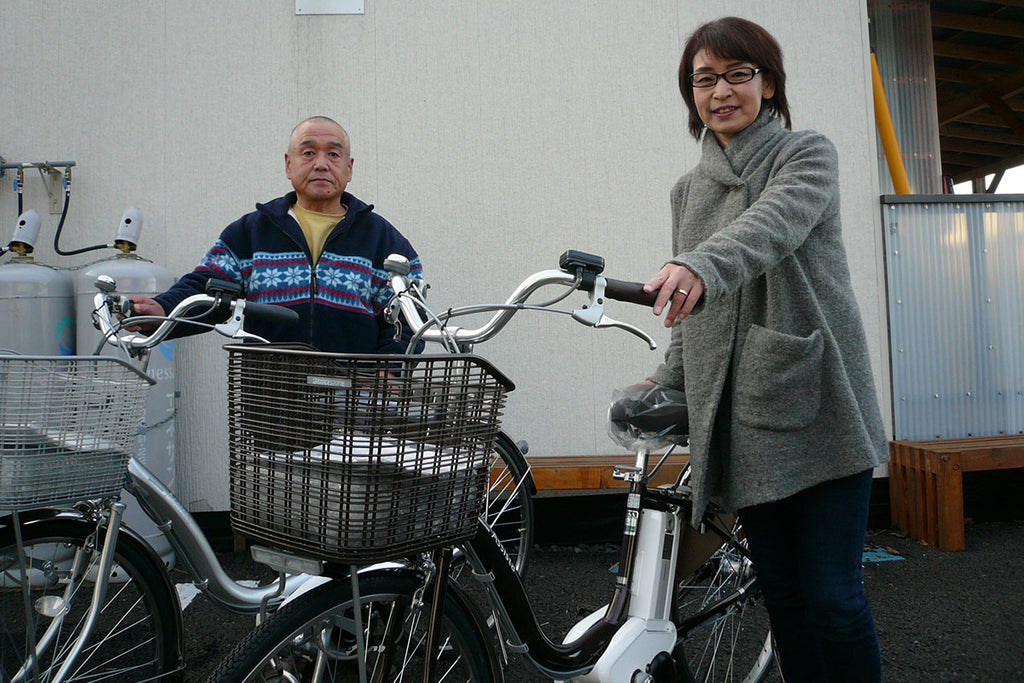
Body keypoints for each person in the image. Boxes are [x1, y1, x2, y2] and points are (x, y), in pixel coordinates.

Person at [632, 17, 887, 682]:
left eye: (737, 74)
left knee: (835, 600)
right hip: (746, 421)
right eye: (704, 79)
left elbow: (768, 228)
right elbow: (689, 314)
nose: (721, 90)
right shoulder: (687, 191)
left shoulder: (806, 154)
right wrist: (664, 382)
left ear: (767, 83)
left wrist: (697, 264)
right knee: (787, 601)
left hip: (822, 404)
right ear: (691, 95)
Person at [130, 116, 423, 353]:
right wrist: (163, 309)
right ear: (288, 164)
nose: (321, 163)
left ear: (349, 168)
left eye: (333, 154)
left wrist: (390, 369)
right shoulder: (249, 234)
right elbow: (206, 290)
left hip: (354, 402)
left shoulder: (383, 241)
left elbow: (411, 315)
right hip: (271, 402)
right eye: (308, 153)